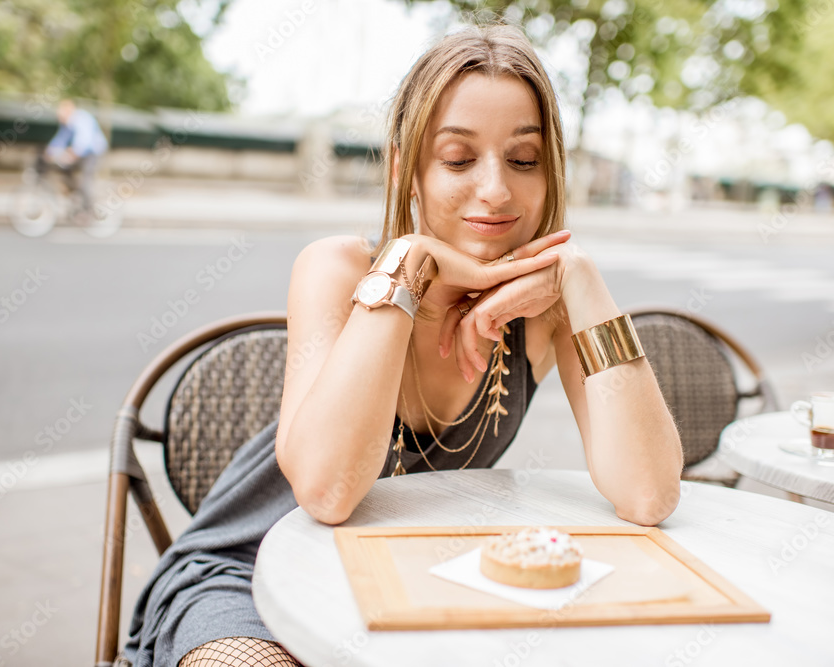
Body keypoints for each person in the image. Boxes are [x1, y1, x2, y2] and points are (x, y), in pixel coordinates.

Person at [124, 22, 683, 667]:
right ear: (406, 168)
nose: (497, 189)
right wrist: (409, 263)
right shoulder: (337, 270)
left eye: (524, 160)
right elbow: (328, 492)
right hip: (249, 583)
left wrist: (581, 281)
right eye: (458, 158)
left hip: (407, 590)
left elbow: (649, 494)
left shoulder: (546, 312)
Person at [37, 99, 108, 216]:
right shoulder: (66, 124)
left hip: (93, 152)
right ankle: (75, 194)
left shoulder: (81, 119)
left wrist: (73, 153)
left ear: (69, 111)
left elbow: (84, 141)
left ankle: (89, 211)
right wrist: (49, 152)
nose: (60, 118)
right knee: (63, 168)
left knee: (86, 180)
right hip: (82, 152)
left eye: (61, 115)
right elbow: (60, 139)